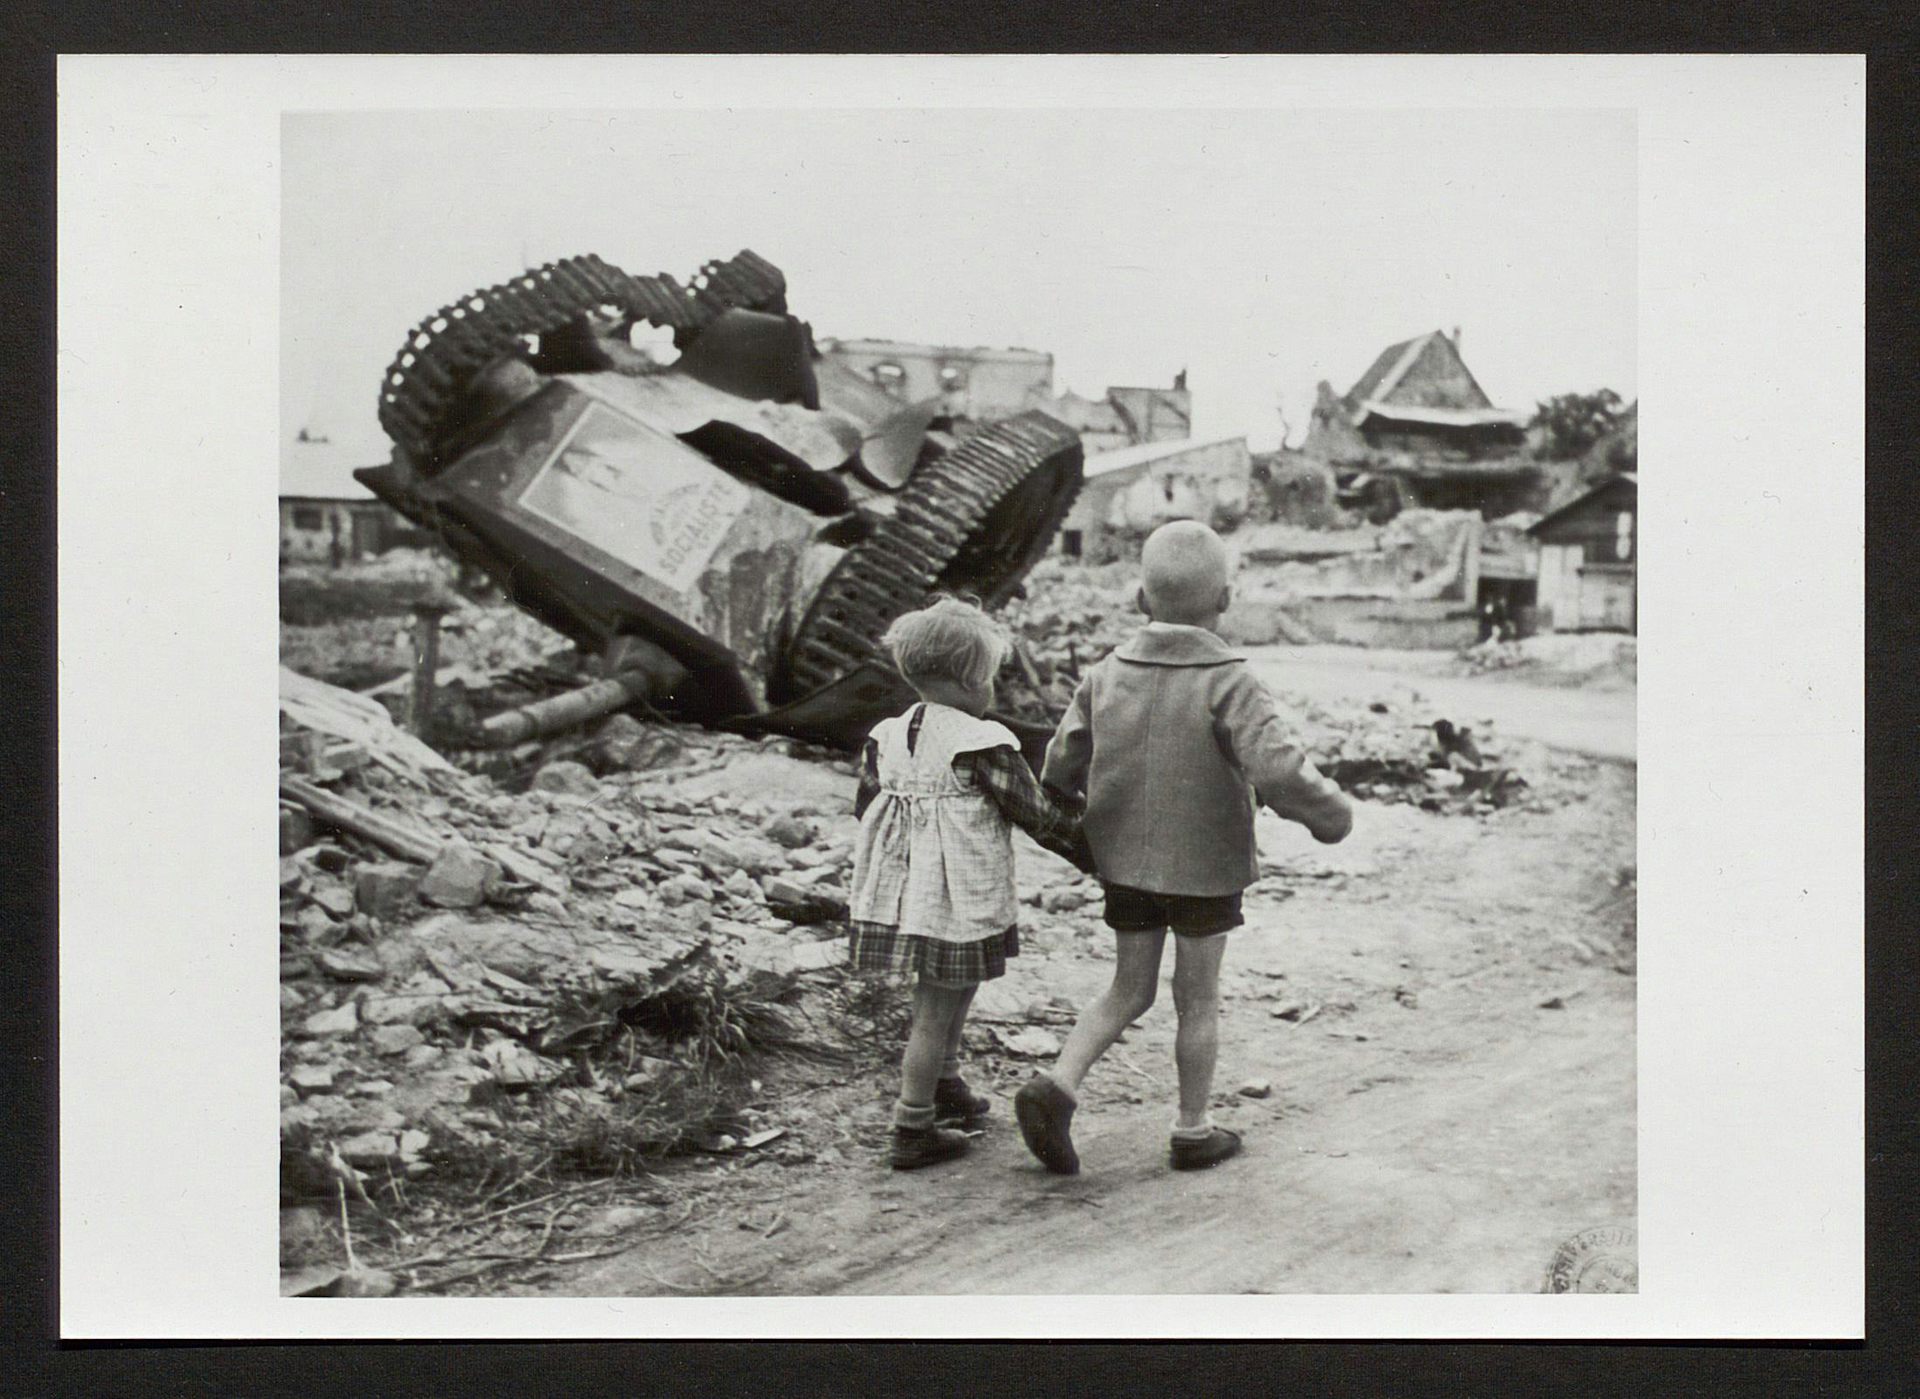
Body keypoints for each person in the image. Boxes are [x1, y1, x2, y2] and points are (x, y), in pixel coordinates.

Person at [1014, 521, 1355, 1175]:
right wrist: (1327, 815)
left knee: (1126, 988)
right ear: (1225, 599)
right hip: (1205, 863)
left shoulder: (1106, 672)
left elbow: (1061, 759)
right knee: (1196, 997)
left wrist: (1071, 799)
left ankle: (1057, 1083)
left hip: (1123, 861)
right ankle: (1192, 1129)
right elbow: (1279, 769)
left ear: (1140, 601)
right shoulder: (1231, 681)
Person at [848, 597, 1089, 1171]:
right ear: (964, 679)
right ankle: (912, 1125)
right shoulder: (981, 743)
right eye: (988, 677)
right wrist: (1091, 850)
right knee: (935, 1009)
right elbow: (1037, 816)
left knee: (950, 993)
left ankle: (946, 1084)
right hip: (955, 899)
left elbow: (867, 805)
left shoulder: (887, 734)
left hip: (907, 899)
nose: (993, 689)